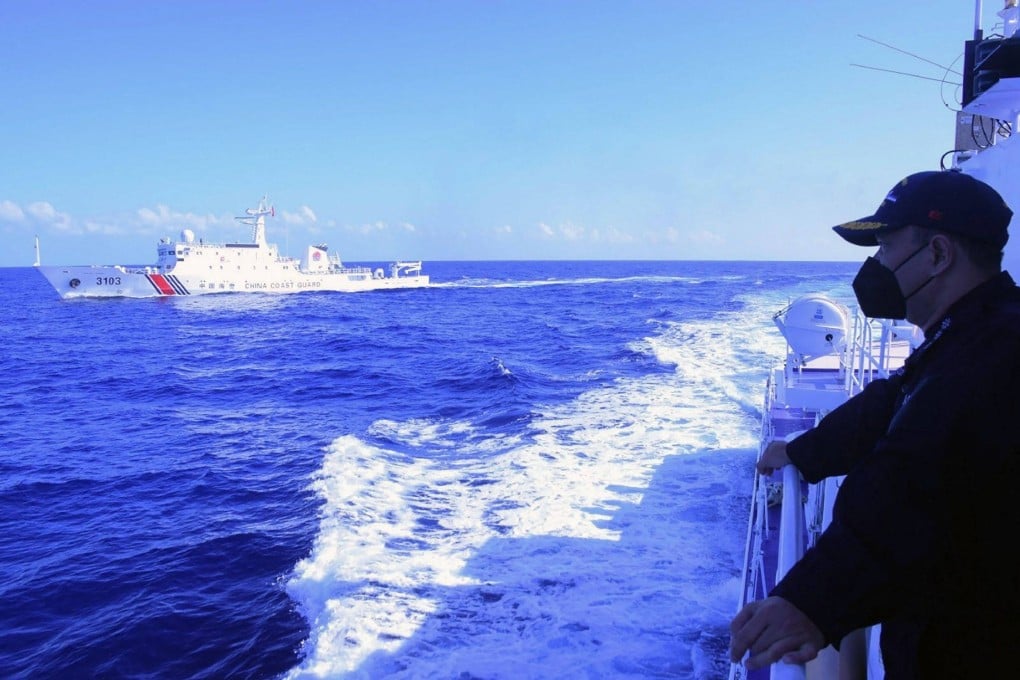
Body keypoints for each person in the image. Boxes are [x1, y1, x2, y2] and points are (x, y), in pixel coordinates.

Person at [728, 170, 1020, 678]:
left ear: (937, 255)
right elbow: (893, 400)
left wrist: (810, 600)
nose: (876, 264)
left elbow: (914, 479)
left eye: (886, 246)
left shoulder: (994, 353)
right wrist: (804, 451)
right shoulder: (975, 330)